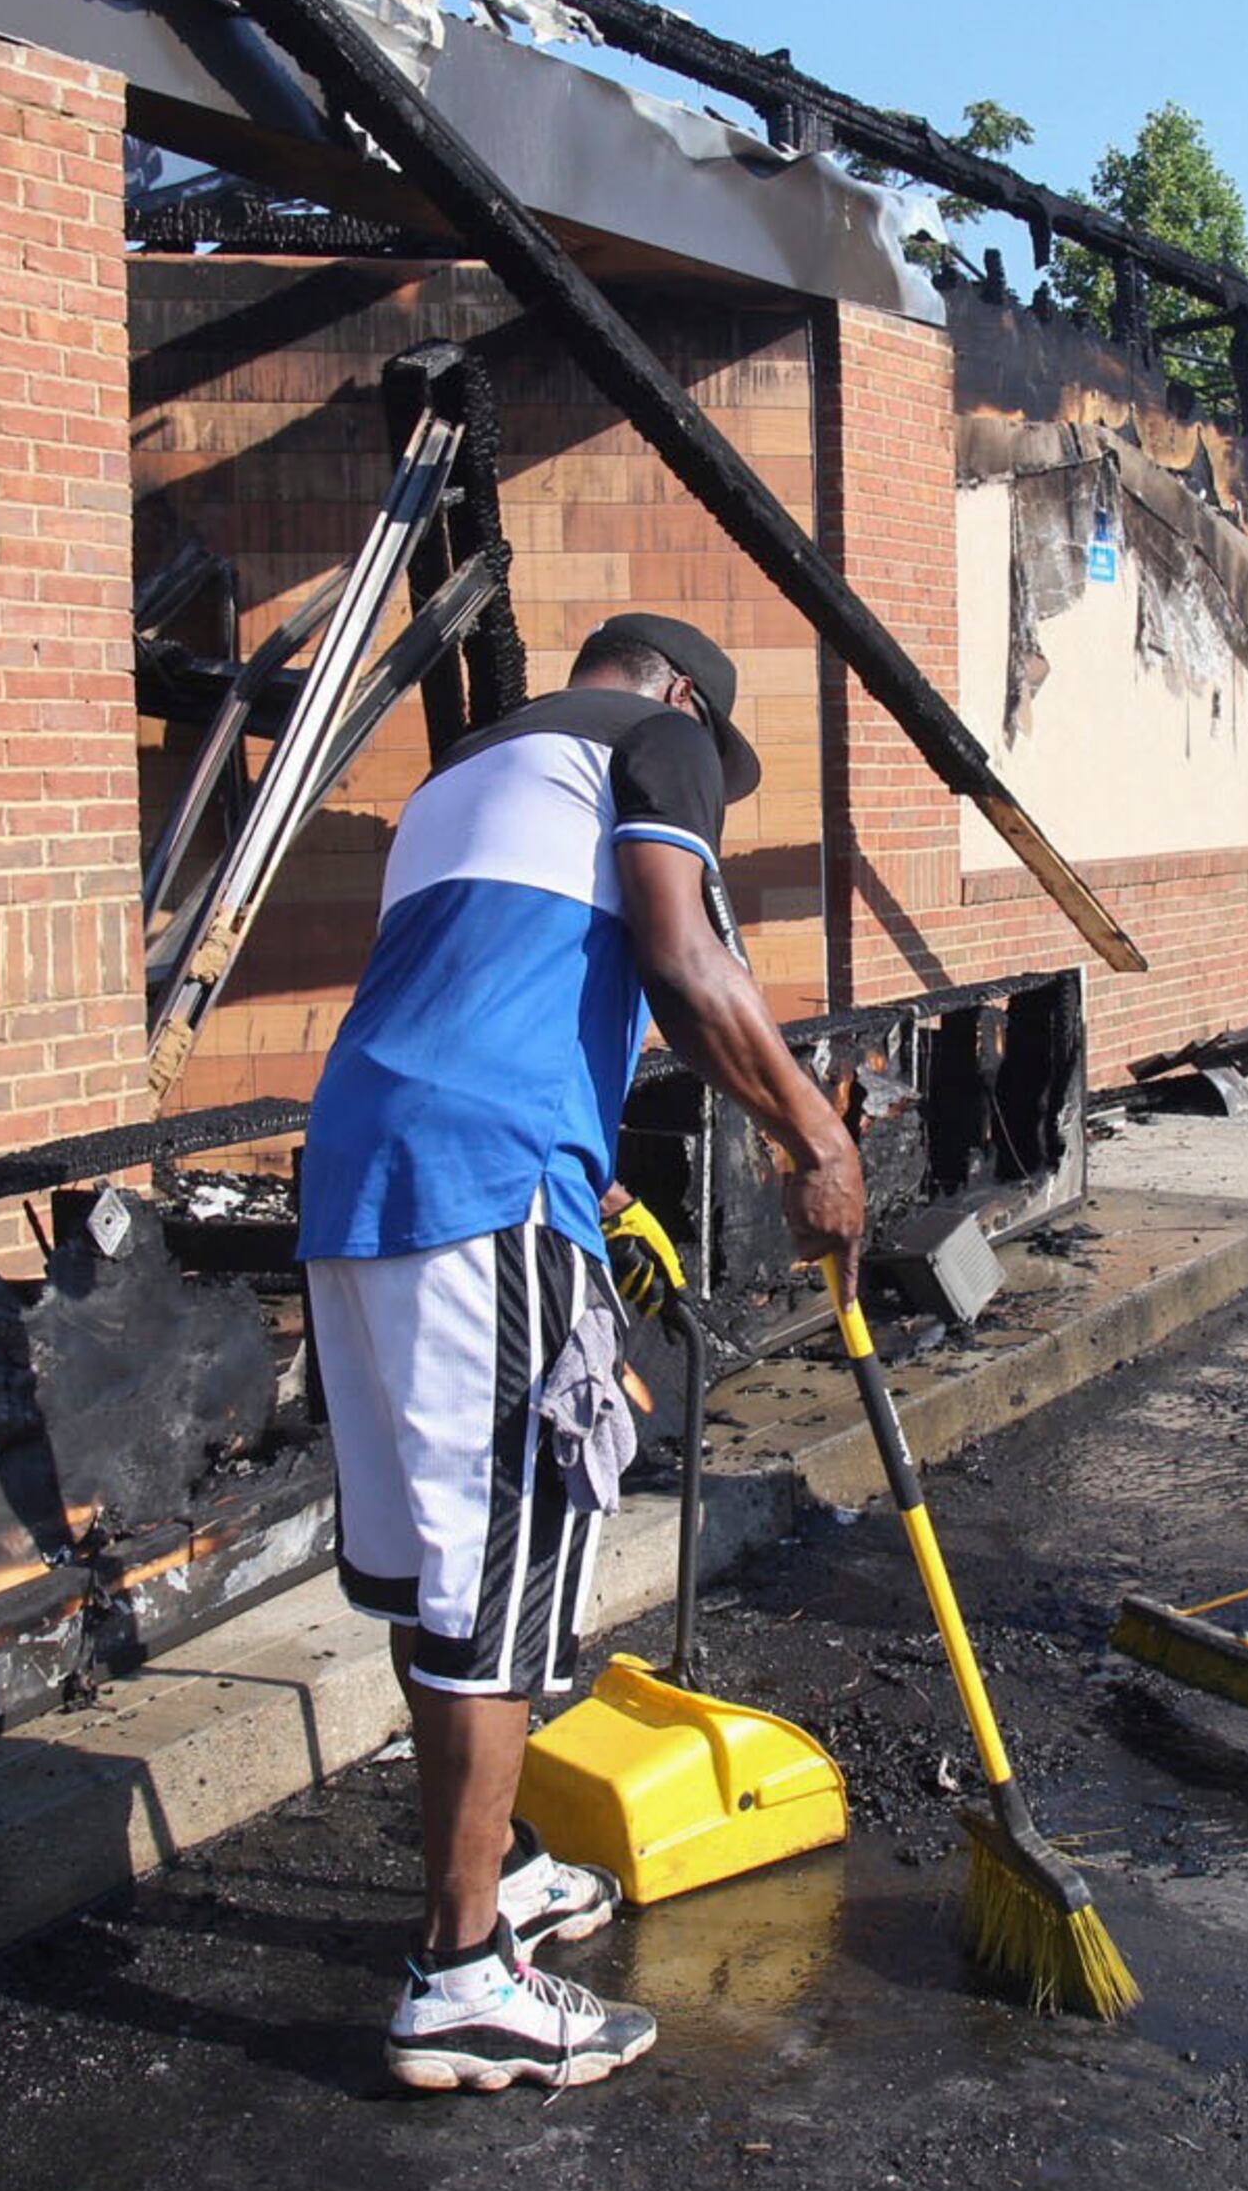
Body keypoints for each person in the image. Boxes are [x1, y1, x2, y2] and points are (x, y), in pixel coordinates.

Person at [299, 613, 866, 2091]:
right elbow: (681, 960)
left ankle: (501, 1868)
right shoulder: (652, 740)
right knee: (500, 1572)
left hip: (363, 1176)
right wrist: (815, 1138)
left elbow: (483, 993)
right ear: (681, 695)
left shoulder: (465, 773)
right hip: (484, 1189)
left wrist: (598, 1173)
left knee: (444, 1570)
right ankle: (462, 1973)